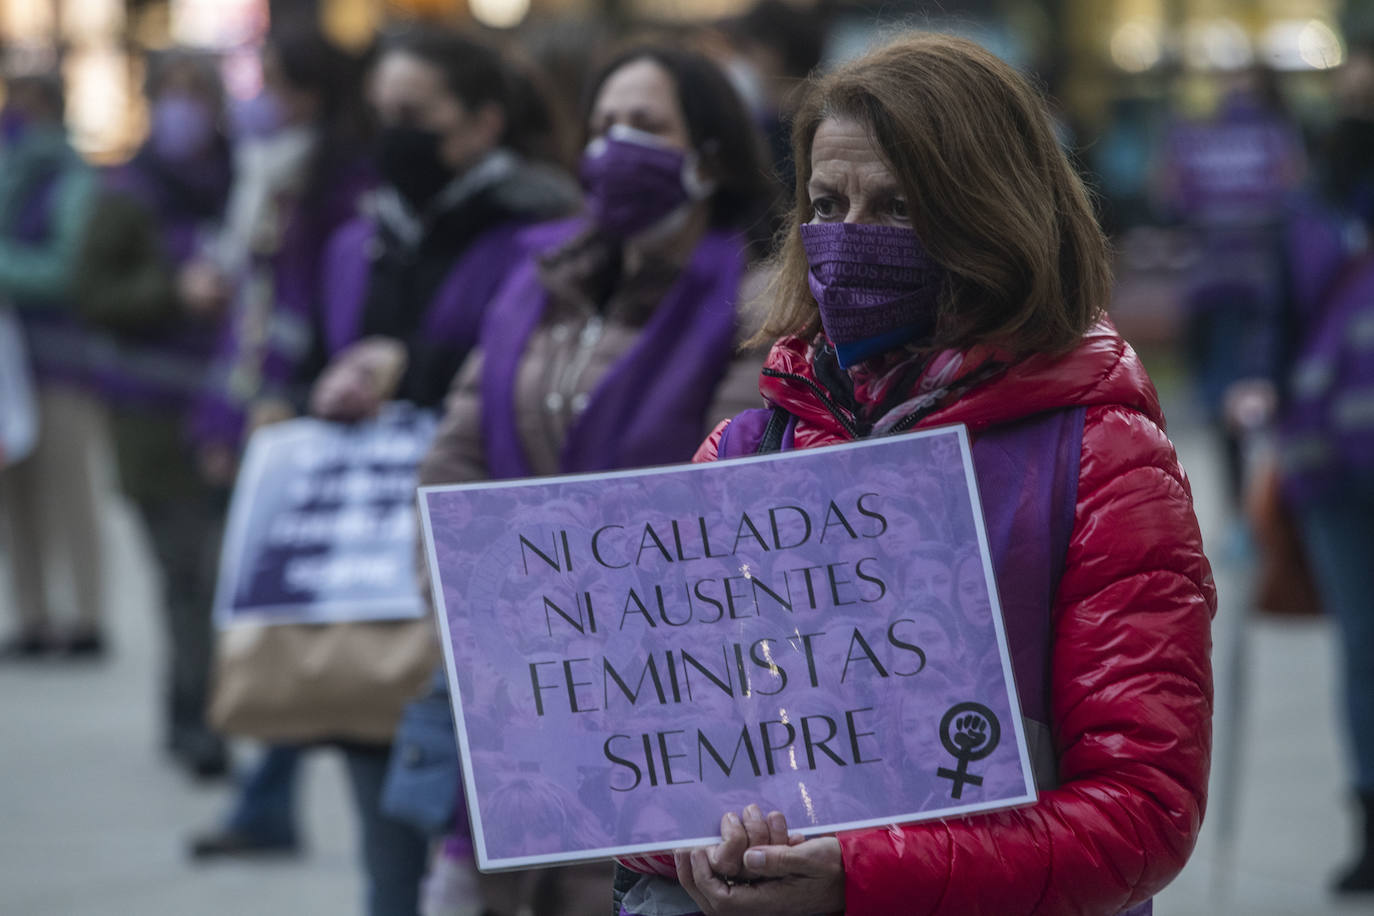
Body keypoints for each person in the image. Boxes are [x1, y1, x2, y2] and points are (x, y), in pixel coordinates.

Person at [613, 33, 1215, 916]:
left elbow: (1142, 809)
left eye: (895, 210)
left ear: (992, 216)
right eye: (826, 203)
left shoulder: (1099, 459)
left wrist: (859, 877)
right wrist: (689, 849)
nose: (847, 240)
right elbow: (626, 756)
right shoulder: (747, 452)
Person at [410, 43, 776, 916]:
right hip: (514, 675)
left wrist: (566, 609)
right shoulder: (540, 278)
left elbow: (728, 486)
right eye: (604, 125)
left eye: (646, 126)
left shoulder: (754, 298)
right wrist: (469, 595)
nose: (615, 146)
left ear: (710, 156)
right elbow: (457, 451)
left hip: (667, 697)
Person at [75, 50, 236, 775]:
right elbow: (93, 294)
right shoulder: (127, 192)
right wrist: (173, 290)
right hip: (150, 417)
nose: (184, 109)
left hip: (229, 411)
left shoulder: (245, 183)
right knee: (184, 577)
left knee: (221, 578)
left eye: (195, 94)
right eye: (169, 95)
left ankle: (207, 712)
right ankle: (194, 718)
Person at [1270, 41, 1374, 894]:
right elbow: (1279, 320)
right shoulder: (1303, 209)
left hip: (1329, 452)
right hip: (1333, 461)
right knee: (1364, 646)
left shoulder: (1310, 206)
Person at [0, 73, 104, 658]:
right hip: (9, 369)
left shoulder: (70, 177)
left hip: (61, 363)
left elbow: (68, 269)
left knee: (70, 495)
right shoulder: (8, 173)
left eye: (27, 103)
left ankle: (87, 617)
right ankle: (32, 615)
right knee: (15, 499)